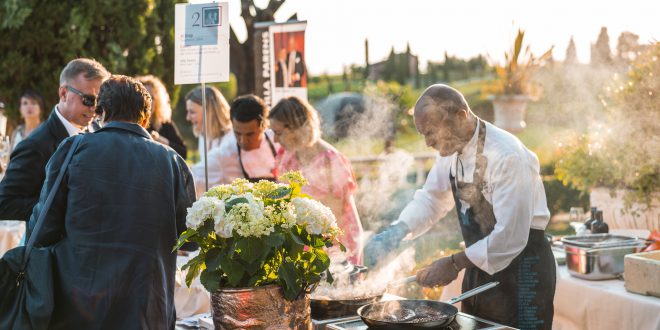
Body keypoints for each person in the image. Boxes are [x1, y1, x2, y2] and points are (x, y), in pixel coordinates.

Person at [364, 84, 556, 329]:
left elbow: (510, 235)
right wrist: (399, 229)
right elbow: (432, 199)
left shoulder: (508, 156)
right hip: (479, 266)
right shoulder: (451, 149)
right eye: (423, 134)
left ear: (461, 117)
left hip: (523, 270)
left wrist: (454, 263)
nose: (427, 142)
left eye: (431, 132)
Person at [27, 75, 195, 328]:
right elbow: (191, 239)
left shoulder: (73, 149)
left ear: (100, 112)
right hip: (147, 307)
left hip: (77, 305)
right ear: (146, 118)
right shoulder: (172, 162)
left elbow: (43, 229)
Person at [0, 58, 110, 221]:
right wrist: (65, 206)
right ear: (64, 93)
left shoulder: (99, 131)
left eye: (100, 102)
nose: (94, 109)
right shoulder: (36, 144)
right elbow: (5, 204)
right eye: (88, 100)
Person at [269, 96, 363, 265]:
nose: (275, 140)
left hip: (335, 247)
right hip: (302, 244)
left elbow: (337, 216)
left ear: (296, 129)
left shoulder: (331, 161)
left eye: (278, 133)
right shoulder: (286, 156)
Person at [205, 94, 278, 185]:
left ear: (264, 126)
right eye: (238, 133)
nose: (243, 141)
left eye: (250, 134)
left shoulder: (278, 143)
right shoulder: (223, 155)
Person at [185, 86, 232, 196]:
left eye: (192, 112)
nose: (187, 117)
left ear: (209, 112)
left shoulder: (231, 139)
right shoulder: (203, 137)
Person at [136, 75, 188, 158]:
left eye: (151, 97)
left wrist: (161, 140)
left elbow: (183, 153)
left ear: (159, 100)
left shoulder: (165, 123)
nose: (148, 101)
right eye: (144, 97)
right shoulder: (132, 123)